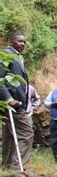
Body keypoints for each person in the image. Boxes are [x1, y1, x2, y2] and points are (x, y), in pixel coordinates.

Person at [0, 33, 34, 169]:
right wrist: (9, 99)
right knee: (26, 133)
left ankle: (6, 166)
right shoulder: (6, 55)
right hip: (12, 103)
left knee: (9, 135)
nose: (22, 44)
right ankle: (17, 165)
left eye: (24, 42)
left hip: (13, 103)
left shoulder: (18, 57)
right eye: (19, 41)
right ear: (11, 41)